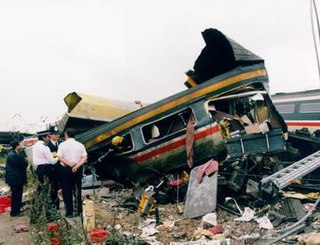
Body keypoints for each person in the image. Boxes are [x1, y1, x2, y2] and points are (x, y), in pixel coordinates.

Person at [57, 128, 87, 218]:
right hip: (77, 169)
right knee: (77, 189)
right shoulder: (80, 145)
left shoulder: (62, 145)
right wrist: (77, 166)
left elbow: (59, 157)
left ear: (66, 134)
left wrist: (69, 164)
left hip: (66, 169)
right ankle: (78, 211)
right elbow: (84, 157)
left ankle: (69, 212)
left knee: (66, 190)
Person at [32, 130, 58, 213]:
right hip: (46, 169)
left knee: (41, 190)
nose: (49, 138)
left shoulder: (35, 146)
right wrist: (59, 157)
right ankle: (49, 210)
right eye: (48, 137)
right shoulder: (45, 147)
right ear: (43, 137)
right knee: (49, 189)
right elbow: (52, 161)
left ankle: (38, 209)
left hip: (39, 169)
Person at [5, 140, 28, 217]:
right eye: (20, 145)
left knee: (17, 195)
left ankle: (16, 210)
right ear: (16, 146)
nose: (21, 146)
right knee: (16, 195)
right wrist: (25, 160)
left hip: (16, 178)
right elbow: (23, 164)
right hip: (15, 179)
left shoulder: (14, 154)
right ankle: (15, 212)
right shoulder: (14, 155)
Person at [46, 126, 61, 210]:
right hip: (53, 170)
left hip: (62, 169)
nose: (56, 136)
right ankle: (55, 206)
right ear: (50, 136)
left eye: (57, 134)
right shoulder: (47, 146)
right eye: (54, 134)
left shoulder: (61, 144)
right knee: (54, 189)